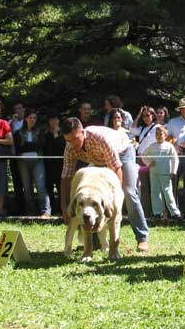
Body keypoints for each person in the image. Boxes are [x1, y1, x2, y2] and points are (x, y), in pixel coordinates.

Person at [60, 118, 150, 252]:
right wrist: (64, 205)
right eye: (68, 140)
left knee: (129, 192)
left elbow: (116, 169)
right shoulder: (70, 148)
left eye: (75, 139)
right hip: (98, 160)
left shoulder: (100, 139)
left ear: (82, 132)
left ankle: (142, 238)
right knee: (93, 194)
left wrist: (115, 200)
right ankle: (95, 242)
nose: (73, 144)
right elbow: (66, 177)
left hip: (122, 153)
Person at [14, 108, 51, 216]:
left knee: (40, 186)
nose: (32, 120)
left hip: (37, 161)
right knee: (27, 188)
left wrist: (26, 146)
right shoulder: (18, 132)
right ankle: (30, 211)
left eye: (34, 118)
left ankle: (45, 211)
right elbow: (18, 148)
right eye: (30, 117)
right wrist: (32, 146)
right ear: (26, 119)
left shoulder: (40, 131)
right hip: (23, 163)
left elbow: (41, 145)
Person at [142, 125, 181, 221]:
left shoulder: (169, 146)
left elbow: (175, 159)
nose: (159, 136)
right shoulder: (152, 146)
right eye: (157, 134)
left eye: (161, 134)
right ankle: (157, 213)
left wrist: (173, 171)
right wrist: (149, 163)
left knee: (168, 192)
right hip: (154, 173)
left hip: (165, 173)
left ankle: (174, 213)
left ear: (165, 135)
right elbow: (143, 155)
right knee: (155, 192)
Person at [131, 106, 158, 216]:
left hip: (152, 159)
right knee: (144, 186)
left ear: (153, 115)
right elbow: (132, 129)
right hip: (141, 159)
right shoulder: (142, 129)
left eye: (148, 115)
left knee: (154, 185)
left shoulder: (157, 127)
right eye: (144, 116)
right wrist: (138, 115)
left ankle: (156, 211)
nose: (146, 118)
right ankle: (146, 212)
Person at [44, 111, 66, 215]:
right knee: (49, 188)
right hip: (48, 165)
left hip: (60, 165)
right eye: (52, 120)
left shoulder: (63, 133)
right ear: (49, 122)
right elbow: (46, 147)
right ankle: (52, 209)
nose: (54, 122)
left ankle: (62, 210)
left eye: (56, 120)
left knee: (60, 188)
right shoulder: (45, 133)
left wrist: (57, 135)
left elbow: (62, 148)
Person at [8, 101, 26, 213]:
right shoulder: (10, 123)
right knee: (17, 182)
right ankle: (19, 207)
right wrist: (12, 123)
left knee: (27, 182)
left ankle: (30, 207)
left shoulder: (28, 121)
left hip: (25, 155)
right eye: (16, 109)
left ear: (24, 110)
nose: (18, 111)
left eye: (20, 108)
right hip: (14, 156)